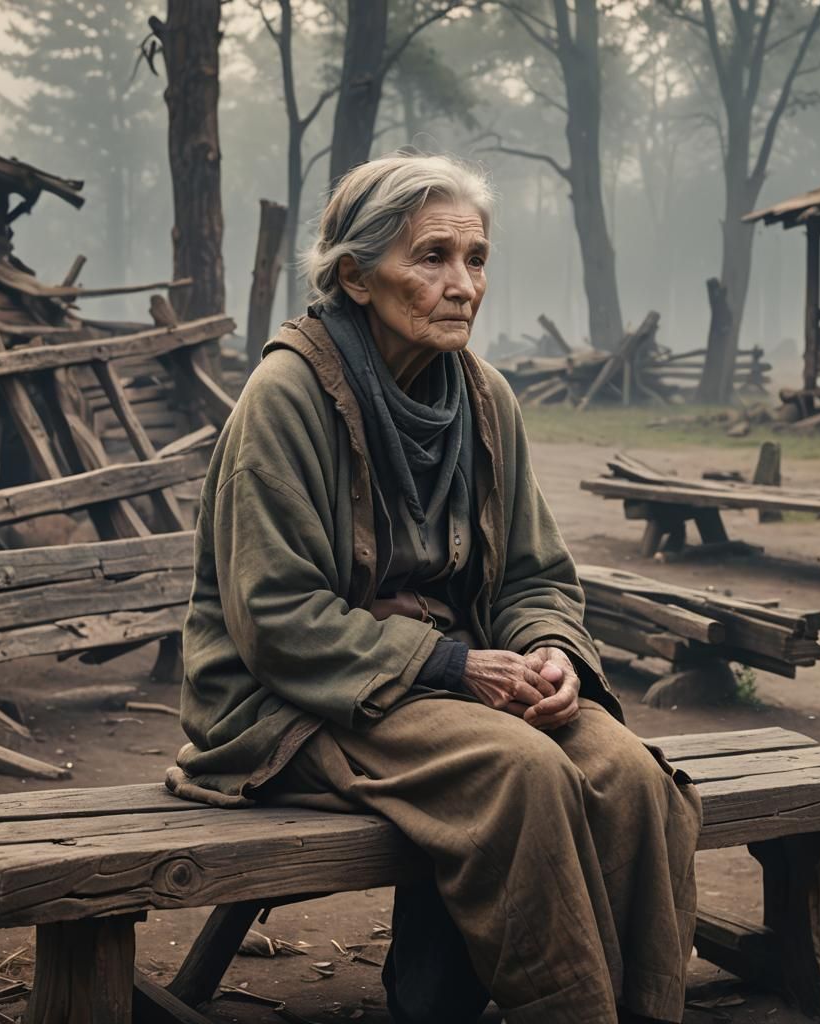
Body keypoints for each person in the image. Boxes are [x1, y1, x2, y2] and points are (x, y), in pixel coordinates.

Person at [166, 153, 702, 1024]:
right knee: (521, 772)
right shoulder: (286, 397)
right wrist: (455, 666)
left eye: (476, 258)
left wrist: (550, 649)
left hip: (452, 679)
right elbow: (275, 620)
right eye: (432, 258)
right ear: (355, 276)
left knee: (630, 775)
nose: (463, 285)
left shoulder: (486, 399)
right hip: (291, 698)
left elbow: (534, 573)